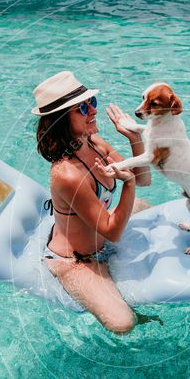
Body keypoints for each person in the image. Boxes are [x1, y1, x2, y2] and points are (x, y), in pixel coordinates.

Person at [33, 71, 151, 334]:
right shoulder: (66, 174)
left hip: (101, 234)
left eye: (92, 103)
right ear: (62, 121)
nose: (92, 111)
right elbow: (113, 231)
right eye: (82, 108)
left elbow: (143, 178)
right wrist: (127, 184)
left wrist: (134, 137)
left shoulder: (94, 143)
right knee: (123, 323)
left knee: (149, 207)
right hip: (75, 260)